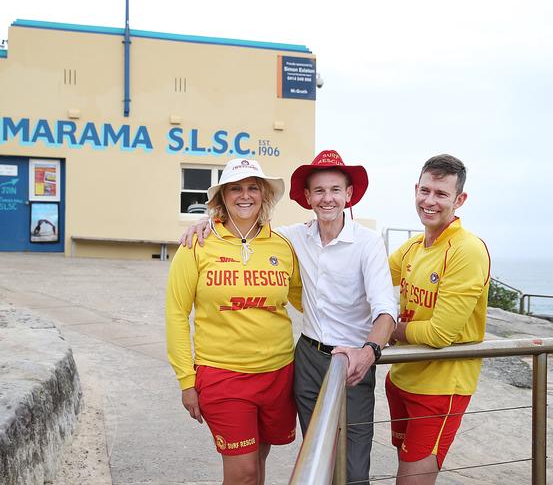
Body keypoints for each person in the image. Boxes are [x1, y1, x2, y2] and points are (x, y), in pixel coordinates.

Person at [180, 150, 397, 484]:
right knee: (317, 455)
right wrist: (208, 222)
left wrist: (368, 352)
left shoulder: (367, 244)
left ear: (349, 194)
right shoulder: (290, 237)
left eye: (336, 190)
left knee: (353, 470)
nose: (328, 199)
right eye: (320, 191)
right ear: (308, 197)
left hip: (353, 359)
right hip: (308, 360)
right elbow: (244, 228)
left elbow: (386, 310)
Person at [166, 158, 303, 485]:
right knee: (242, 473)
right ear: (222, 198)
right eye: (235, 188)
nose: (245, 196)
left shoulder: (283, 245)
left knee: (258, 462)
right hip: (223, 375)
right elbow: (176, 313)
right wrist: (187, 380)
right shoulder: (196, 245)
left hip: (278, 374)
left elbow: (307, 302)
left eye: (253, 187)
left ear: (264, 195)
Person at [386, 154, 490, 485]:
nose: (430, 201)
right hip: (401, 378)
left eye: (441, 194)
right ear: (416, 189)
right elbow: (367, 280)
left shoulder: (466, 249)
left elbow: (440, 333)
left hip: (441, 389)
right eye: (425, 191)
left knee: (411, 480)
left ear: (460, 200)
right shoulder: (413, 247)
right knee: (403, 465)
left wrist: (391, 328)